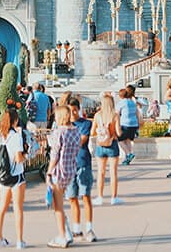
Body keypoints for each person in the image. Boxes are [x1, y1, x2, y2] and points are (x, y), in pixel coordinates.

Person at [46, 104, 81, 248]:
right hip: (70, 169)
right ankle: (66, 231)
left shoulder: (59, 132)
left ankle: (62, 235)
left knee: (58, 207)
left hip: (58, 171)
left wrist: (48, 172)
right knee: (59, 203)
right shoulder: (76, 131)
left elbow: (54, 155)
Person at [0, 105, 27, 249]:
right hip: (16, 175)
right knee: (18, 209)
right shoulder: (15, 136)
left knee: (2, 207)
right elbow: (19, 158)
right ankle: (20, 240)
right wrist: (27, 156)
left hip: (3, 175)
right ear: (15, 121)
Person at [66, 98, 96, 243]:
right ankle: (76, 229)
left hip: (82, 162)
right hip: (69, 165)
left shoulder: (85, 124)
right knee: (72, 198)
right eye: (70, 111)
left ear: (79, 109)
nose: (72, 113)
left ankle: (89, 228)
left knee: (85, 196)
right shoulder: (64, 125)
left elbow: (81, 141)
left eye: (74, 110)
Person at [90, 92, 123, 206]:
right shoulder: (115, 115)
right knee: (113, 172)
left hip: (100, 145)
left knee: (101, 172)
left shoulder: (97, 115)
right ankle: (114, 197)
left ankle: (100, 196)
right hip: (112, 144)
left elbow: (92, 132)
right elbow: (118, 132)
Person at [117, 87, 138, 165]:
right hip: (134, 124)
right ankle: (127, 159)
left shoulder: (122, 103)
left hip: (125, 123)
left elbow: (117, 113)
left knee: (120, 140)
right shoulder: (132, 102)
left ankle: (129, 154)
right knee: (128, 140)